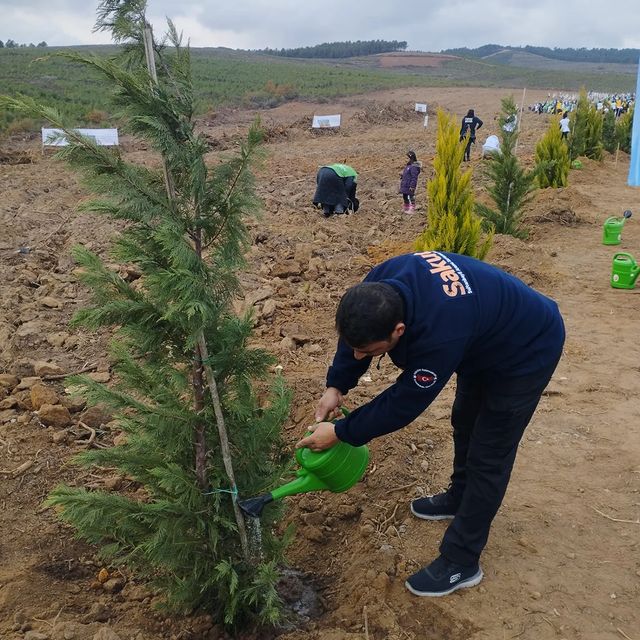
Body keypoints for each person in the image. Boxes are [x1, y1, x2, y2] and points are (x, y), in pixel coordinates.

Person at [296, 251, 565, 598]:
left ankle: (461, 561)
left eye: (370, 351)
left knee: (489, 453)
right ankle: (459, 497)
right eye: (356, 349)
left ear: (399, 330)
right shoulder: (379, 284)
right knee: (464, 419)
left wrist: (341, 432)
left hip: (527, 348)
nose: (360, 356)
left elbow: (405, 402)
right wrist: (337, 385)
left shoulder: (441, 332)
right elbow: (355, 341)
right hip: (483, 337)